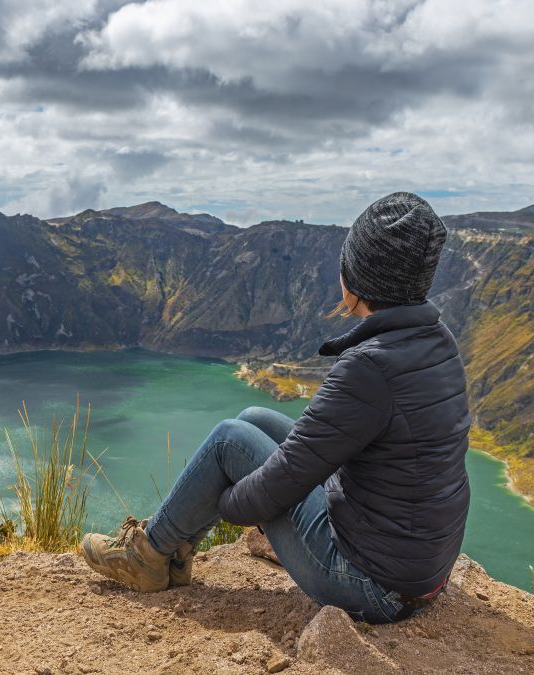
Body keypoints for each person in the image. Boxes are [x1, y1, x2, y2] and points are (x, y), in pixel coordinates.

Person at [81, 192, 471, 623]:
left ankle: (148, 555)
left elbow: (279, 483)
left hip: (372, 585)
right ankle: (174, 550)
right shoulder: (436, 340)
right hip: (418, 571)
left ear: (357, 275)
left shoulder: (368, 366)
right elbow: (316, 455)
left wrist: (224, 497)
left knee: (229, 441)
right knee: (254, 419)